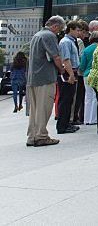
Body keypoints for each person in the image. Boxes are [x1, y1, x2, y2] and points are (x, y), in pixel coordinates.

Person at [25, 16, 67, 147]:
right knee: (44, 108)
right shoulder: (49, 36)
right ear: (55, 26)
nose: (58, 32)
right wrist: (62, 69)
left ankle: (32, 136)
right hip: (45, 77)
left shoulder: (37, 35)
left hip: (33, 78)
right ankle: (42, 136)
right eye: (59, 29)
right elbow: (56, 56)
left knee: (35, 110)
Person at [56, 21, 82, 135]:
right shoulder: (66, 42)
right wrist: (71, 74)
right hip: (68, 73)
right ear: (70, 29)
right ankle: (62, 125)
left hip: (72, 71)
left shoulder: (71, 41)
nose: (79, 32)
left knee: (69, 99)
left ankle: (66, 123)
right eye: (77, 30)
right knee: (66, 99)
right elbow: (66, 59)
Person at [72, 20, 88, 125]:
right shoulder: (79, 42)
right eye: (84, 32)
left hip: (75, 71)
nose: (85, 35)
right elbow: (81, 56)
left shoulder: (72, 40)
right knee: (78, 95)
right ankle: (75, 117)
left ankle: (75, 116)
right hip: (78, 72)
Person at [80, 33, 98, 125]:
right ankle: (93, 119)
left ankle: (86, 119)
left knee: (88, 97)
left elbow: (82, 65)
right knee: (95, 96)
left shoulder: (86, 50)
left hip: (86, 75)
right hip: (96, 74)